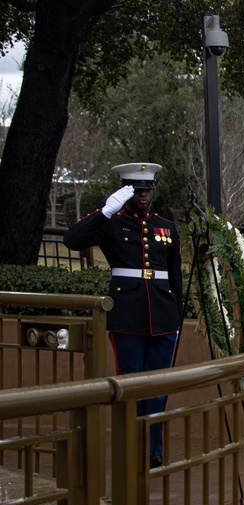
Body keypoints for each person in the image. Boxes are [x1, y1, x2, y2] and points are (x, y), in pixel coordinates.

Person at [63, 163, 183, 470]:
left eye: (147, 190)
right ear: (126, 192)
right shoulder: (111, 223)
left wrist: (176, 313)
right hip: (127, 315)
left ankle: (152, 451)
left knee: (156, 388)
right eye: (136, 190)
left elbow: (174, 275)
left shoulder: (166, 227)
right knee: (129, 384)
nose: (143, 196)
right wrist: (105, 211)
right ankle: (131, 448)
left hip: (162, 315)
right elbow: (72, 240)